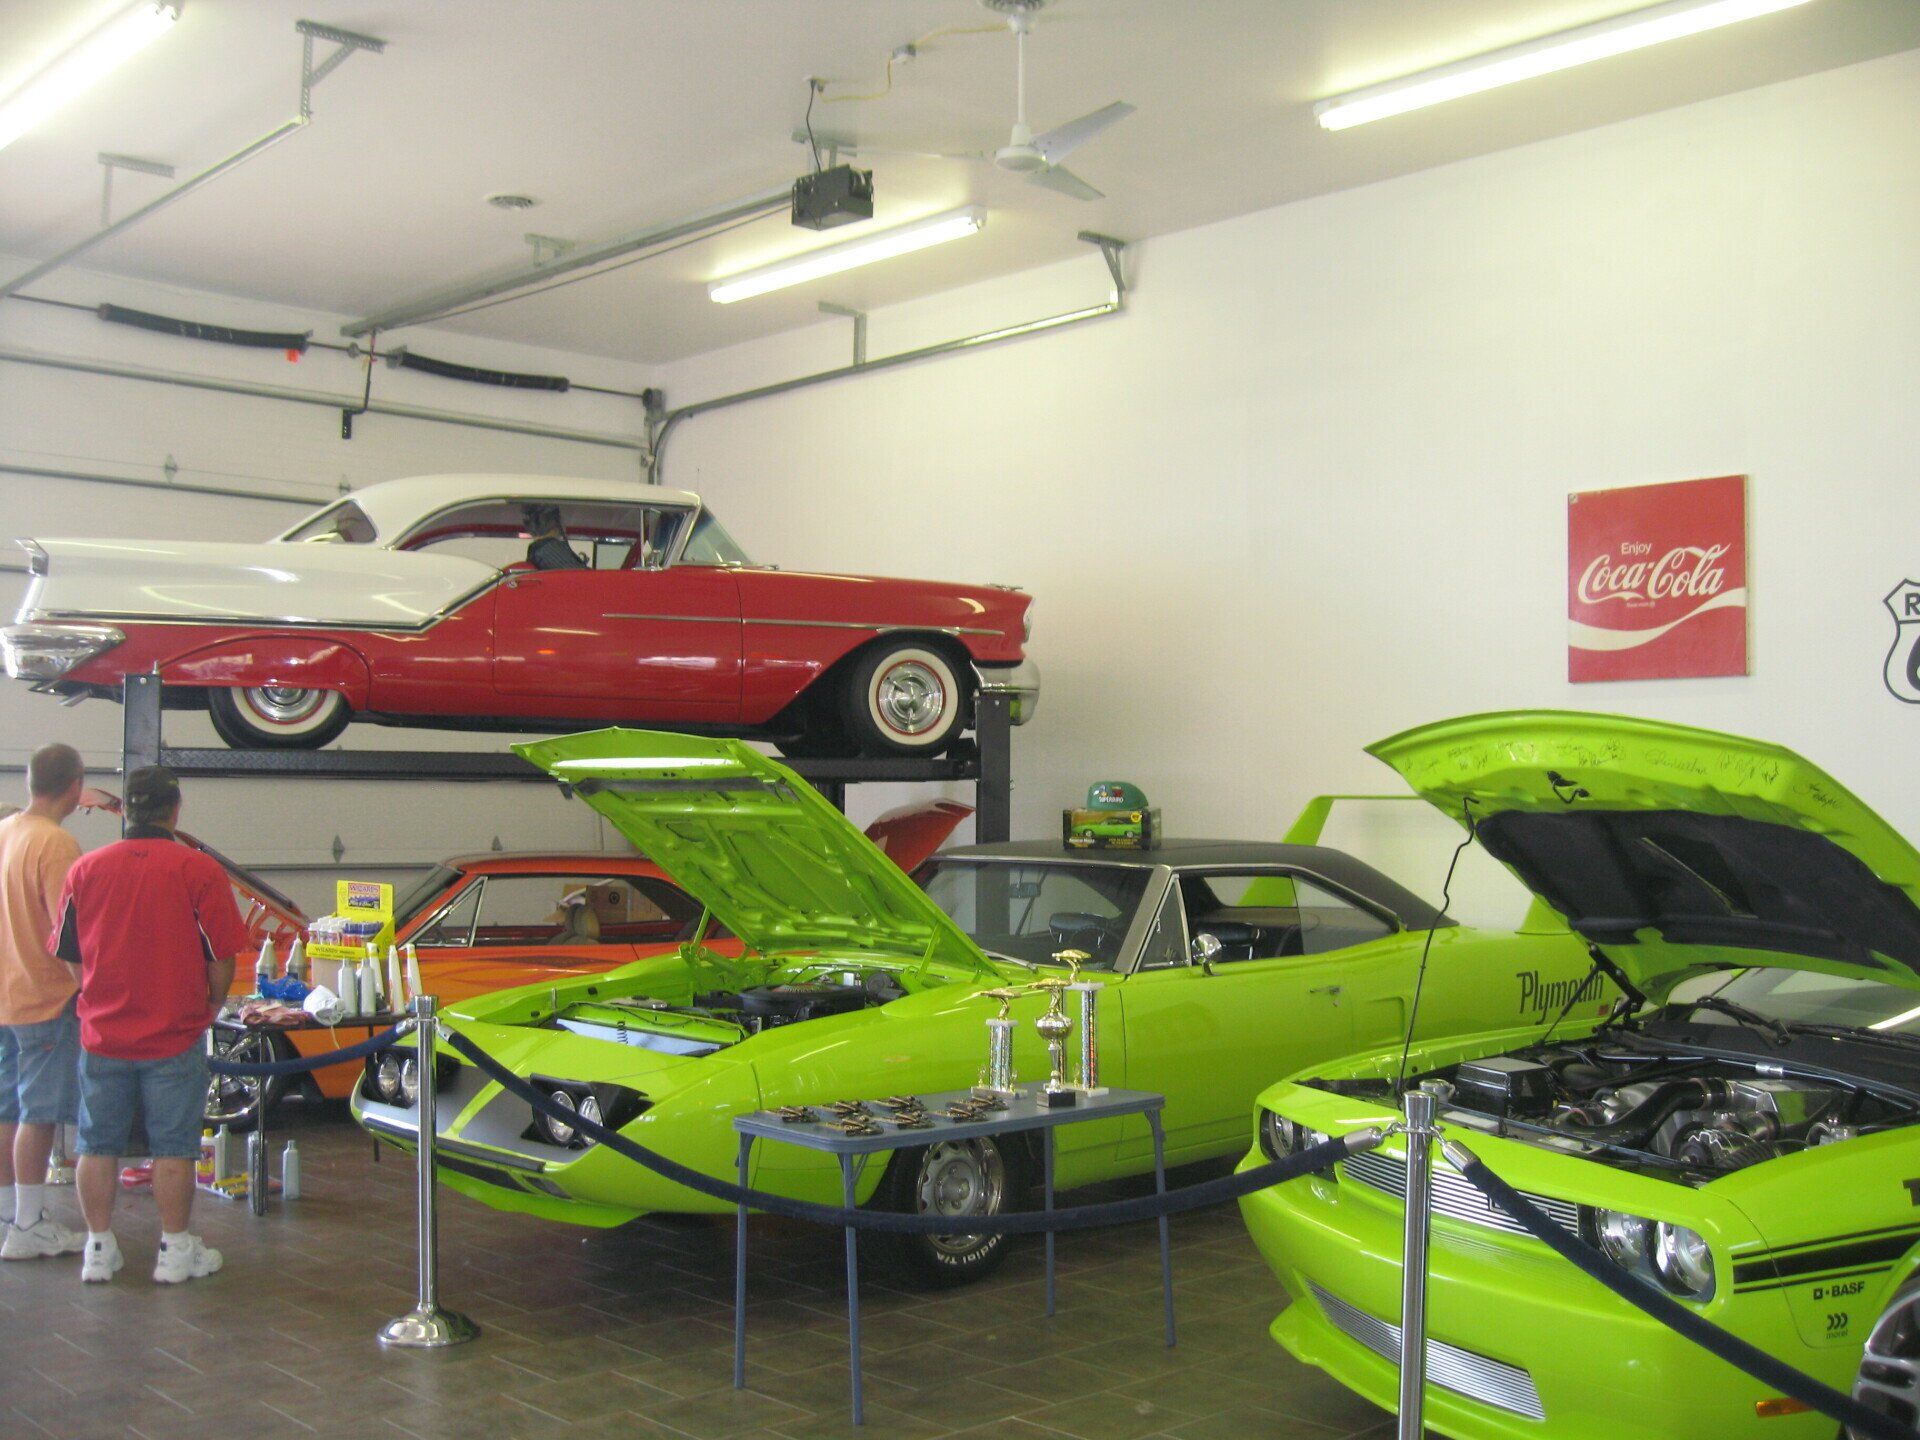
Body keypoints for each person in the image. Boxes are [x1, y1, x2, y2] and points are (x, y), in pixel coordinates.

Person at [51, 766, 248, 1284]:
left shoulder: (85, 870)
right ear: (174, 811)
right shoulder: (199, 871)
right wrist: (211, 1004)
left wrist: (94, 990)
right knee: (174, 1146)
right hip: (174, 1033)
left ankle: (98, 1249)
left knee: (96, 1144)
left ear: (127, 811)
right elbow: (221, 956)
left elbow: (70, 955)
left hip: (102, 1033)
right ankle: (175, 1251)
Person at [0, 744, 86, 1260]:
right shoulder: (56, 844)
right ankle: (30, 1226)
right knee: (40, 1114)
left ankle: (11, 1210)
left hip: (6, 994)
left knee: (7, 1108)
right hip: (46, 998)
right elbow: (70, 931)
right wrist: (90, 986)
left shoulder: (7, 831)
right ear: (74, 786)